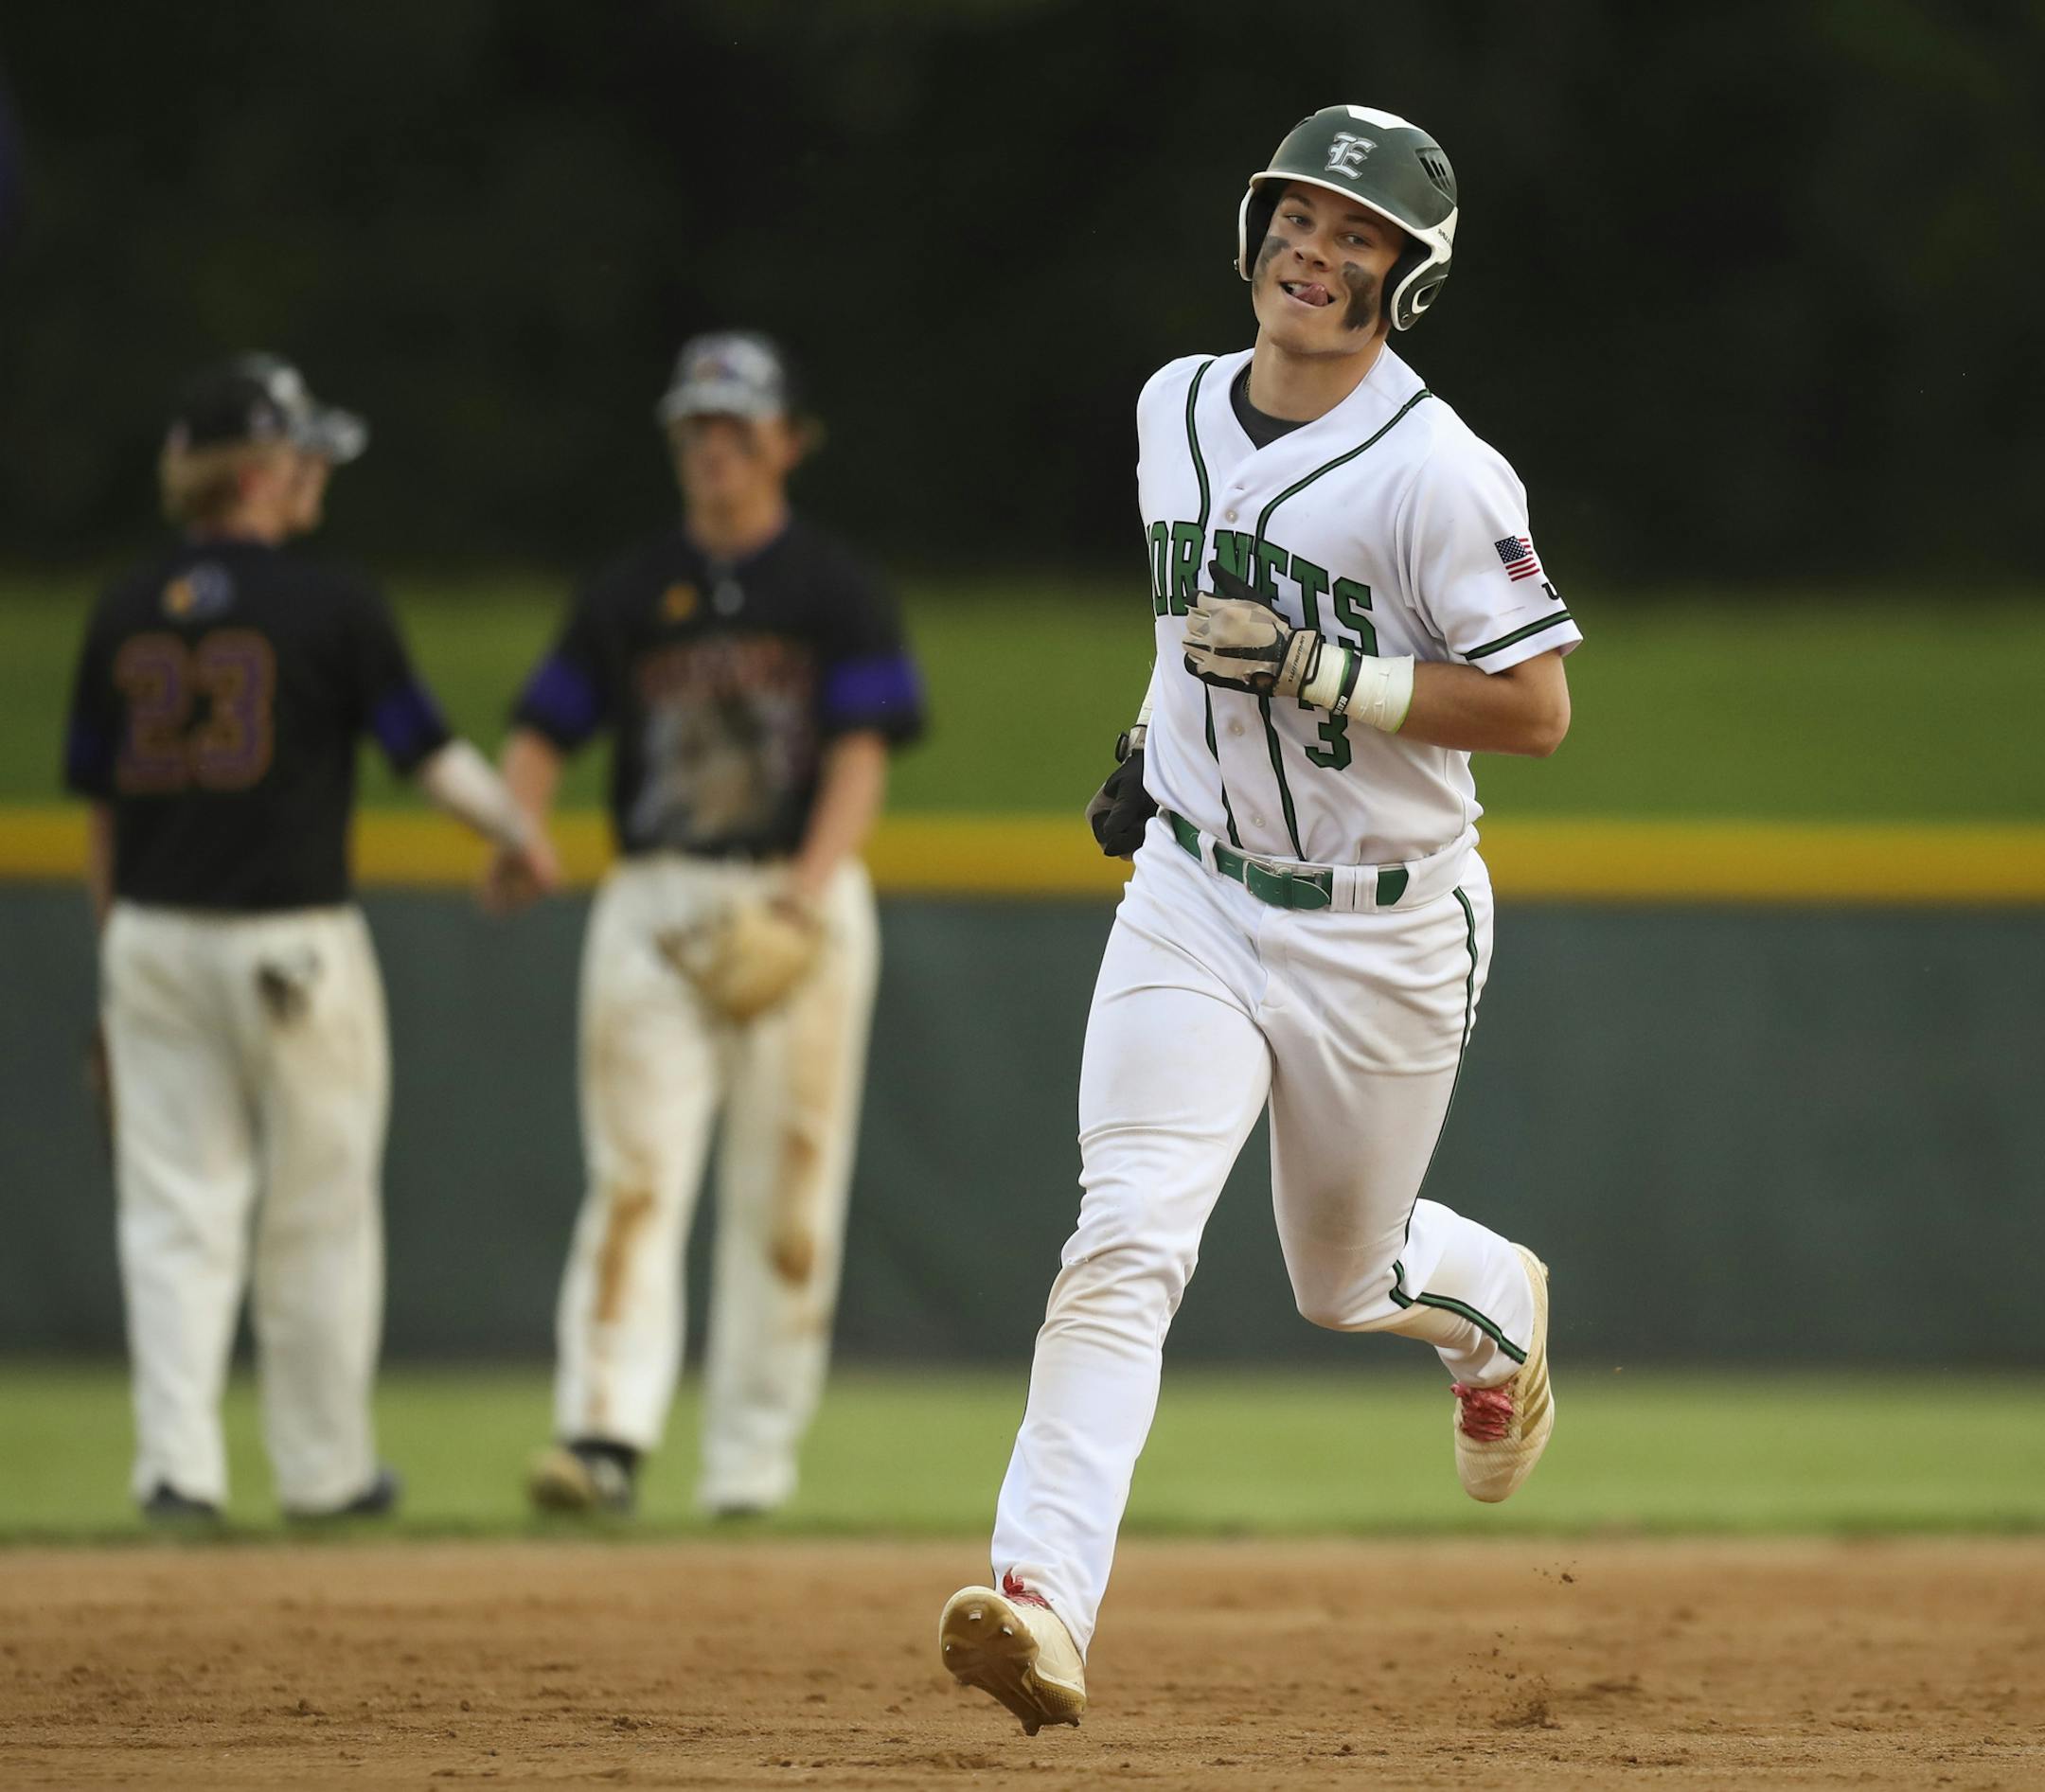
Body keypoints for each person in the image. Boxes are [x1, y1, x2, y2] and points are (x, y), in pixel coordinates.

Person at [939, 106, 1579, 1732]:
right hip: (1198, 893)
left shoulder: (1440, 469)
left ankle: (1490, 1297)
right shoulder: (1174, 404)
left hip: (1382, 921)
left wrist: (1324, 670)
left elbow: (1538, 707)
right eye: (1300, 213)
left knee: (1340, 1277)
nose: (1316, 247)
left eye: (1357, 233)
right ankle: (1038, 1599)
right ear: (1255, 225)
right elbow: (1183, 628)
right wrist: (1148, 747)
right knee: (1127, 1232)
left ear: (1404, 278)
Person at [62, 353, 559, 1522]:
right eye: (304, 456)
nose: (317, 475)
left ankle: (175, 1472)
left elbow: (99, 815)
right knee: (317, 1213)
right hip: (291, 944)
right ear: (265, 469)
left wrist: (115, 958)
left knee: (174, 1217)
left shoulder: (126, 607)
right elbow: (430, 759)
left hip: (150, 938)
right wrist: (519, 834)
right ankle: (324, 1474)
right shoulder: (328, 603)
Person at [499, 331, 924, 1519]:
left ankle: (749, 1464)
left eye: (739, 430)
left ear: (788, 442)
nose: (716, 451)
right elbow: (541, 732)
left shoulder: (833, 588)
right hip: (656, 903)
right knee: (634, 1176)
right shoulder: (632, 588)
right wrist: (515, 823)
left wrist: (805, 886)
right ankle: (602, 1437)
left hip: (796, 890)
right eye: (697, 428)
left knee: (789, 1194)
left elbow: (859, 757)